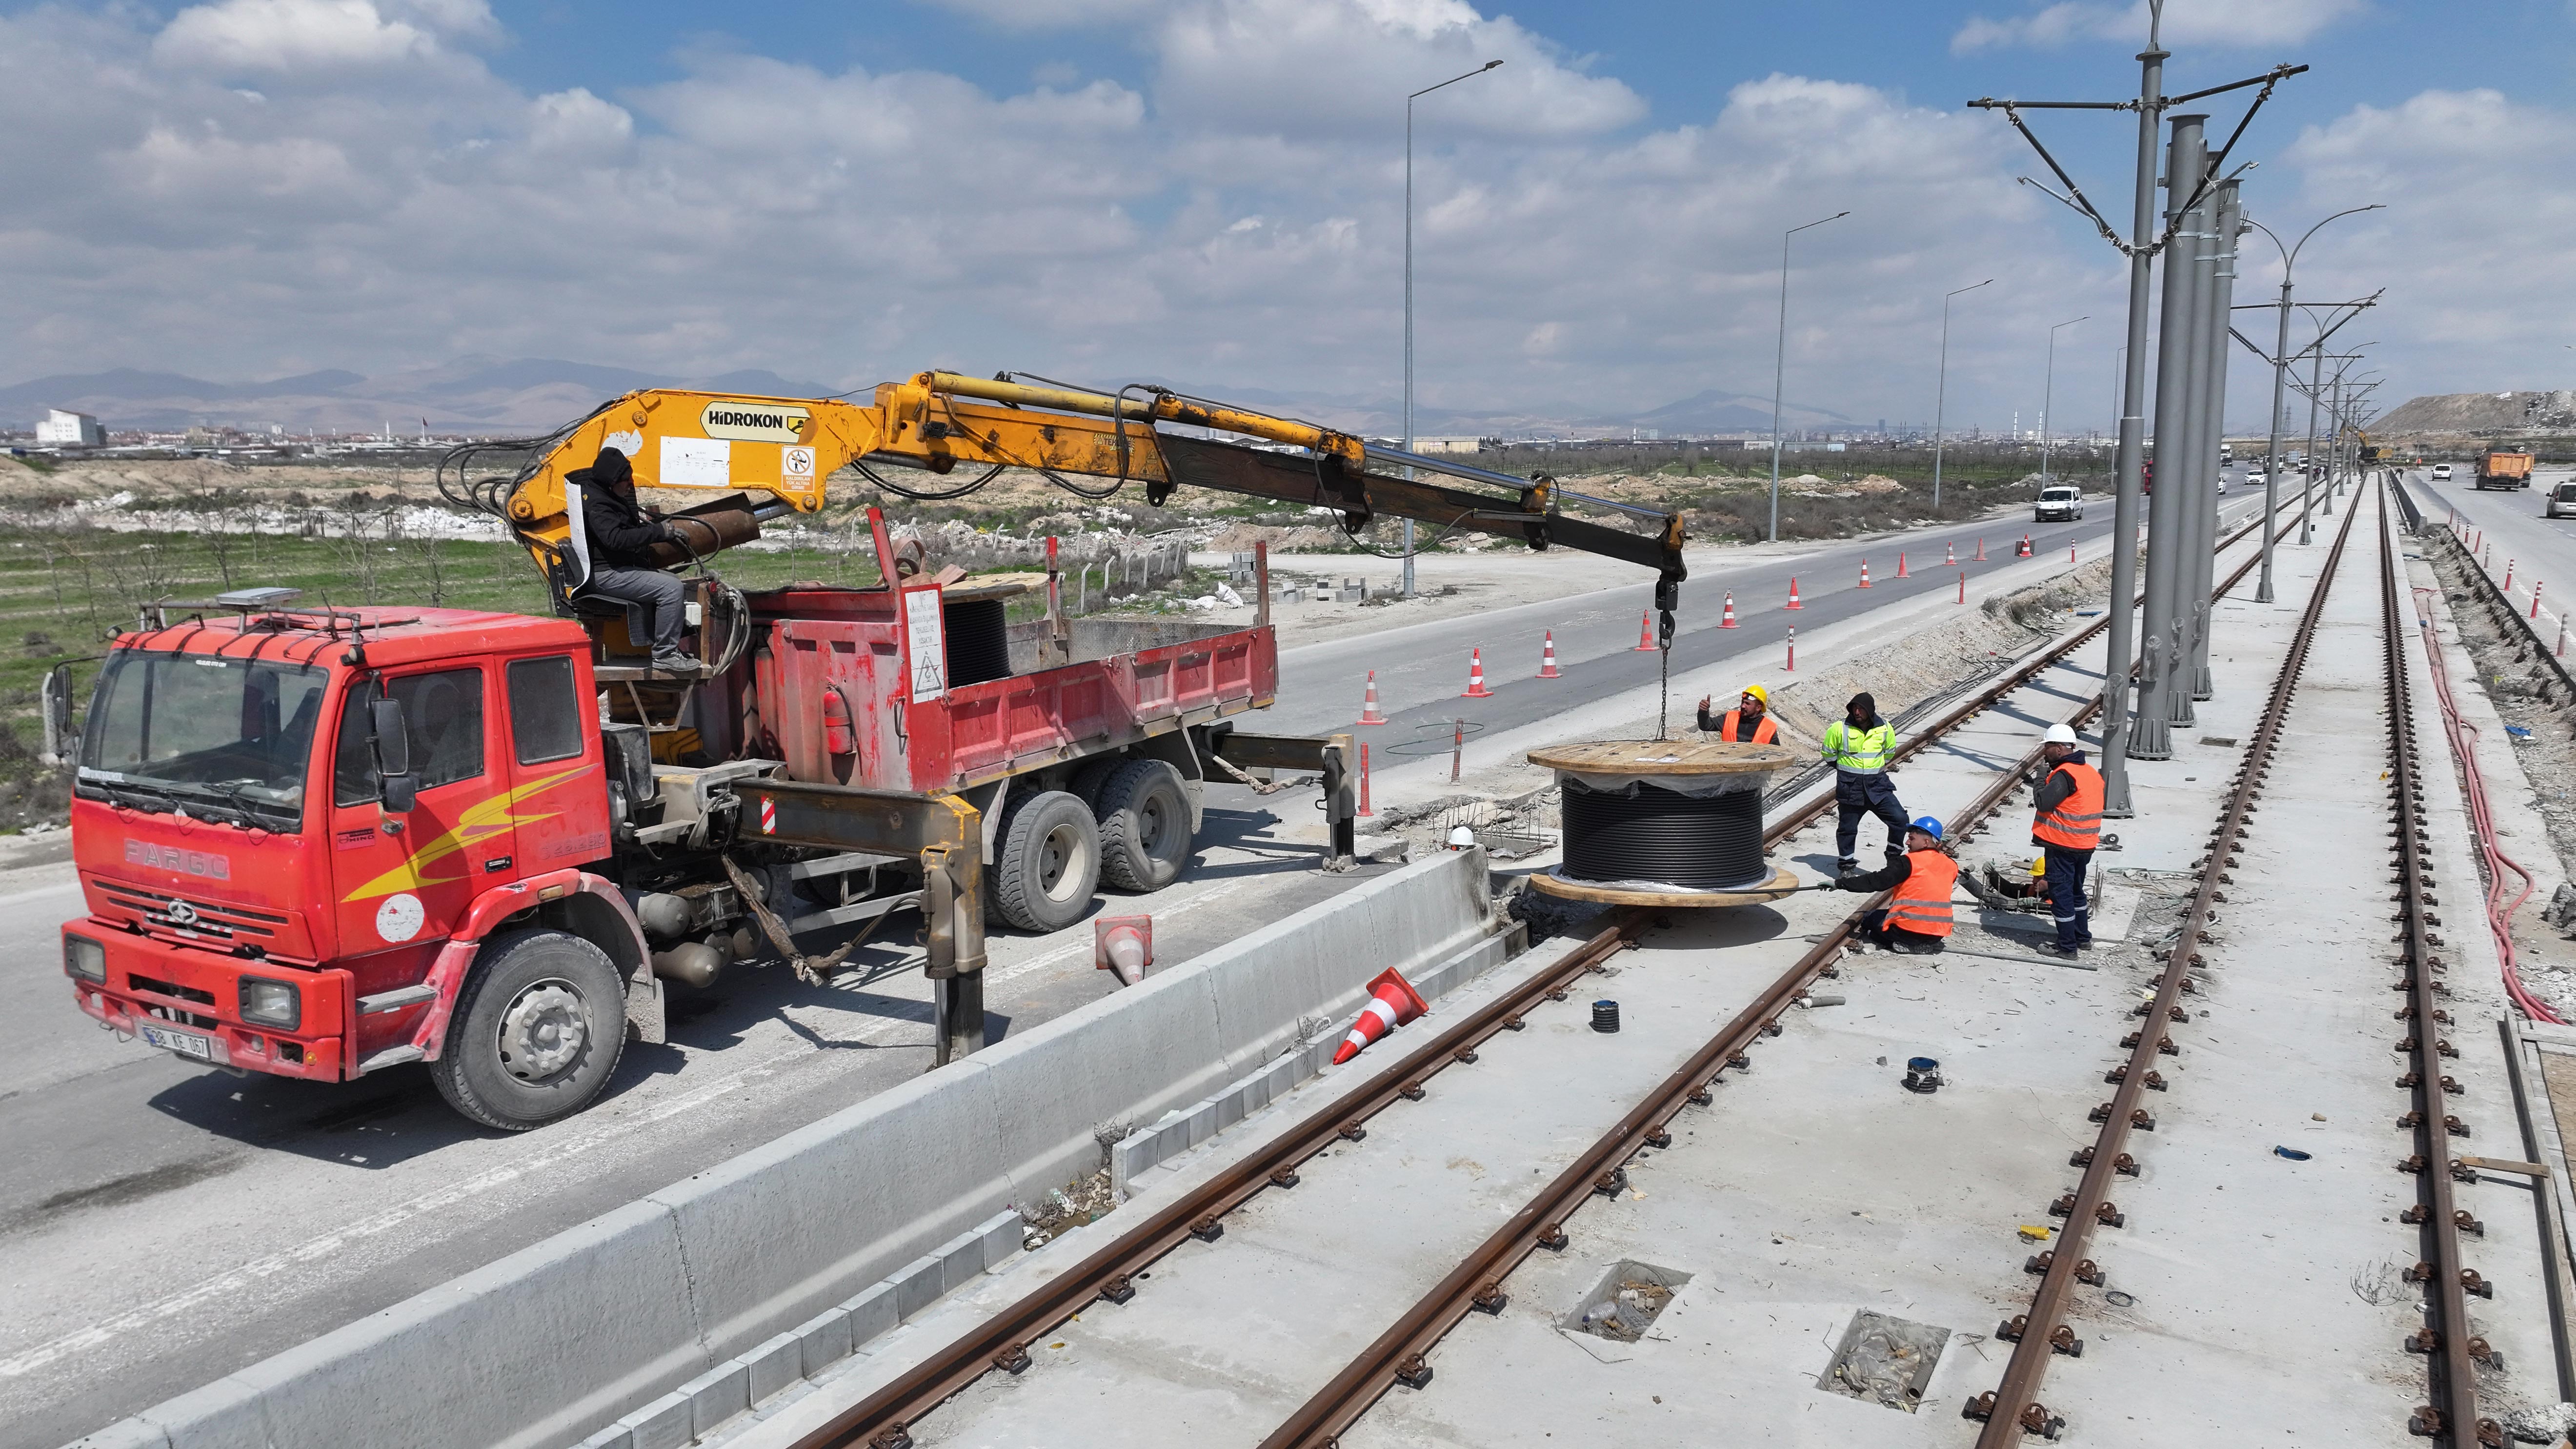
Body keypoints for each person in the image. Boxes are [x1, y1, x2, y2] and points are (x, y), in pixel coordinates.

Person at [567, 446, 693, 672]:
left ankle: (669, 645)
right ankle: (665, 654)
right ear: (612, 480)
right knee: (671, 589)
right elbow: (614, 539)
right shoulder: (599, 504)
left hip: (609, 569)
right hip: (604, 575)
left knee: (672, 583)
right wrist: (659, 533)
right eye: (626, 480)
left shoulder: (602, 494)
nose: (630, 483)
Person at [1826, 815, 1956, 954]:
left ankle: (1905, 944)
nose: (1907, 842)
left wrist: (1840, 884)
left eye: (1912, 838)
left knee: (1870, 920)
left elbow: (1875, 882)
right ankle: (1920, 944)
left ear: (1926, 842)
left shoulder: (1907, 862)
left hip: (1906, 931)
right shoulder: (1951, 865)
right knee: (1888, 918)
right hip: (1937, 934)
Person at [2029, 721, 2104, 955]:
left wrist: (2041, 778)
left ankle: (2067, 947)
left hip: (2063, 845)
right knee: (2075, 891)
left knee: (2061, 896)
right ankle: (2082, 937)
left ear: (2060, 749)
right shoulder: (2089, 772)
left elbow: (2043, 802)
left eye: (2048, 747)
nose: (2045, 751)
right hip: (2085, 844)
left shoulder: (2064, 775)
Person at [1822, 691, 1908, 875]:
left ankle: (1893, 859)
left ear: (1870, 711)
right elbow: (1829, 755)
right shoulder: (1839, 729)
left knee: (1900, 820)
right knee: (1847, 829)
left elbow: (1889, 754)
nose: (1857, 712)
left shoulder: (1885, 728)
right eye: (1854, 708)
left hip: (1878, 788)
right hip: (1851, 789)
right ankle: (1846, 867)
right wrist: (1848, 771)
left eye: (1861, 708)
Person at [1696, 684, 1782, 743]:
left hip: (1755, 769)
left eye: (1747, 704)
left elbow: (1777, 755)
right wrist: (1703, 711)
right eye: (1743, 702)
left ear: (1758, 708)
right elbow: (1706, 726)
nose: (1743, 706)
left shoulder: (1769, 728)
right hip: (1728, 767)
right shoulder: (1730, 718)